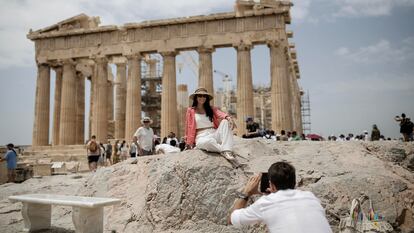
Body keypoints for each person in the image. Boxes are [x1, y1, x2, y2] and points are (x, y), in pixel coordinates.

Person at [228, 161, 332, 233]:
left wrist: (247, 192)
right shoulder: (310, 197)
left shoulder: (266, 203)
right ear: (294, 182)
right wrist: (273, 195)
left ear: (271, 185)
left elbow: (232, 220)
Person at [184, 87, 238, 165]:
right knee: (206, 142)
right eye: (199, 96)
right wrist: (188, 143)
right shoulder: (190, 110)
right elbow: (187, 127)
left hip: (214, 133)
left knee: (225, 122)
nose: (202, 98)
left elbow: (221, 114)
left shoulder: (211, 109)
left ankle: (227, 150)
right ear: (196, 98)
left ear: (206, 98)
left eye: (204, 96)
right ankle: (224, 149)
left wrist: (228, 117)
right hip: (201, 137)